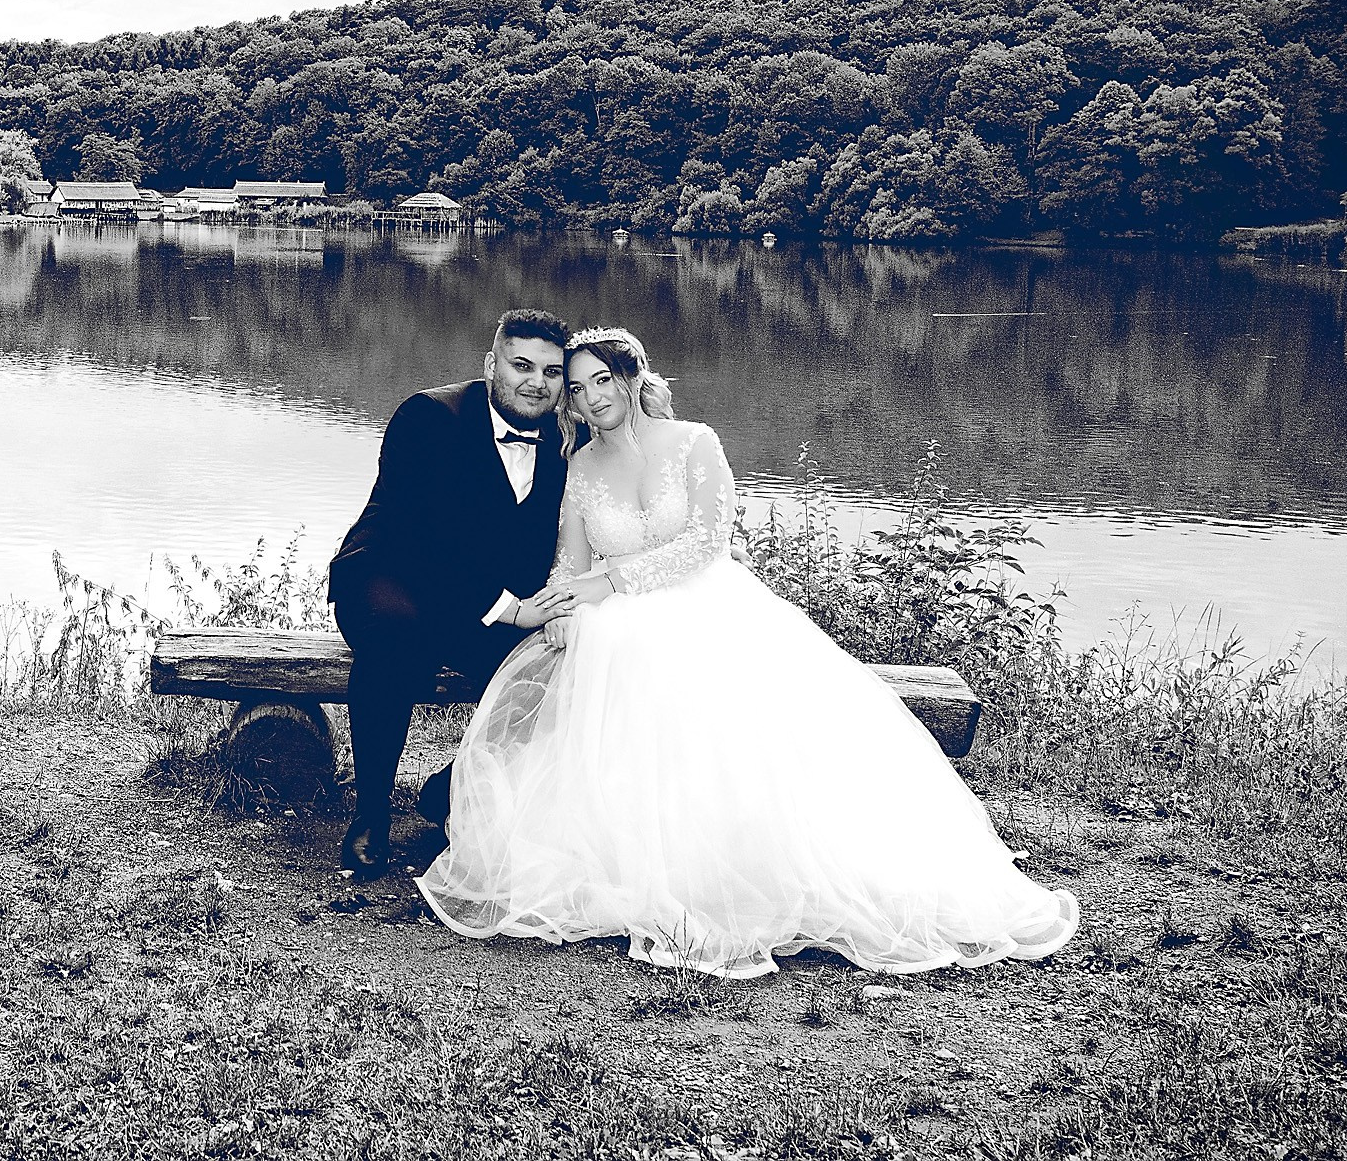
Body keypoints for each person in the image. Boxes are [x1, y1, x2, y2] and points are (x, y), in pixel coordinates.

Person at [414, 326, 1078, 976]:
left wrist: (612, 580)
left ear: (633, 378)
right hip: (614, 624)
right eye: (578, 389)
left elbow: (706, 542)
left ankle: (748, 866)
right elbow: (572, 558)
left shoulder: (694, 443)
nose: (591, 399)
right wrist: (559, 607)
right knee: (608, 664)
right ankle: (642, 864)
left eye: (602, 381)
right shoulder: (580, 466)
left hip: (710, 609)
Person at [328, 309, 580, 879]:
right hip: (391, 574)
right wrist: (510, 609)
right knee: (396, 637)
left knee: (565, 663)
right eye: (521, 366)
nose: (536, 382)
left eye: (551, 371)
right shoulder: (429, 417)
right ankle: (371, 816)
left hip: (489, 600)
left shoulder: (568, 438)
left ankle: (448, 789)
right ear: (491, 366)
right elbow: (421, 540)